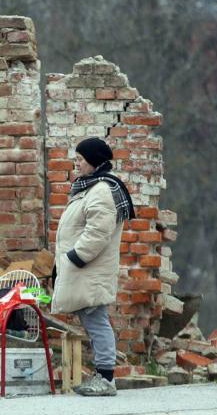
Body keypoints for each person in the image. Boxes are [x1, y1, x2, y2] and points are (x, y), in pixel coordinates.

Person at [51, 137, 133, 397]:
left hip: (89, 269)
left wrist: (75, 258)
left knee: (97, 321)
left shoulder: (102, 190)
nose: (77, 164)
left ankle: (106, 379)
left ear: (94, 162)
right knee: (92, 320)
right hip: (85, 269)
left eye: (80, 160)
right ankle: (102, 375)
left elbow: (98, 232)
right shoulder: (90, 187)